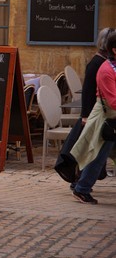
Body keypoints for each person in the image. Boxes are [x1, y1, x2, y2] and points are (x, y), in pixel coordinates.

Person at [56, 28, 115, 187]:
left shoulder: (106, 62)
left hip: (102, 114)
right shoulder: (97, 63)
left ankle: (82, 184)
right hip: (95, 115)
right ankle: (80, 184)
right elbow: (88, 92)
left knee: (94, 150)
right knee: (88, 150)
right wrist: (84, 116)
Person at [70, 31, 116, 204]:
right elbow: (112, 101)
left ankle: (81, 187)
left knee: (99, 155)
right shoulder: (105, 70)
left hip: (110, 117)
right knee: (97, 155)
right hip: (106, 118)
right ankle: (81, 189)